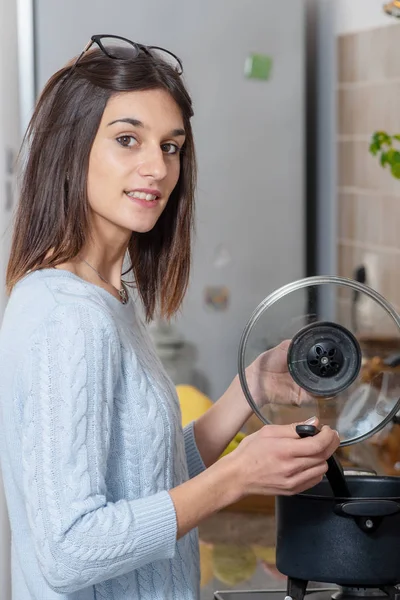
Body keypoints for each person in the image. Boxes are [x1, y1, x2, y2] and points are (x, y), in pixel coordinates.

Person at [0, 35, 340, 600]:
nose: (156, 166)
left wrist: (246, 389)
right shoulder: (65, 316)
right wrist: (235, 476)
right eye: (127, 140)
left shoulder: (107, 299)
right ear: (71, 148)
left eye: (172, 146)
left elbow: (142, 474)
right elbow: (68, 549)